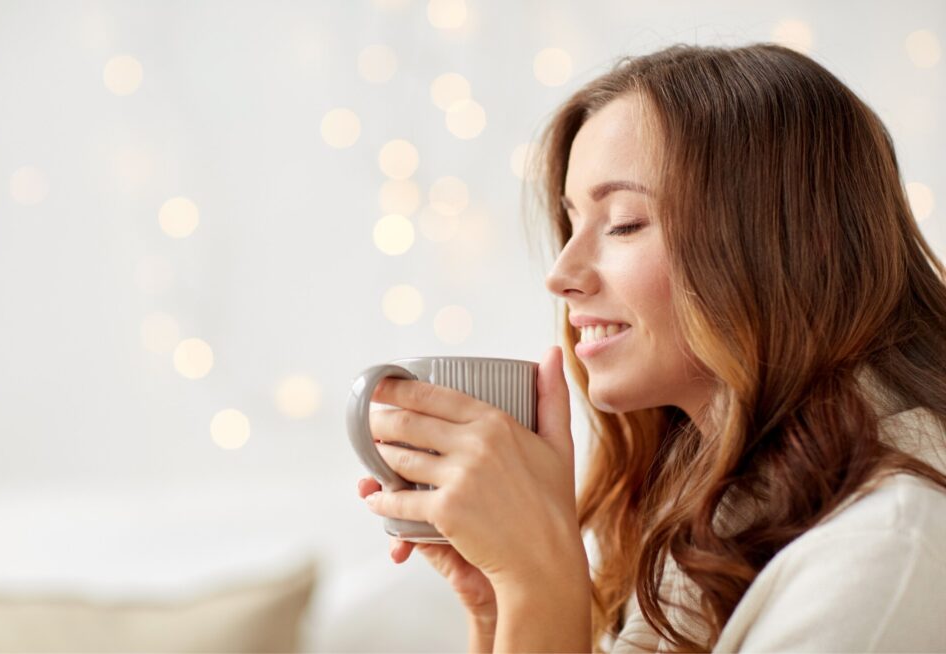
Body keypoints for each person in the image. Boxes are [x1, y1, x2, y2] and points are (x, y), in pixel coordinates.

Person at [356, 42, 946, 652]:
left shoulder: (888, 550)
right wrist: (503, 606)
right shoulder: (700, 528)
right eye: (571, 221)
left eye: (624, 223)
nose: (560, 272)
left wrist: (540, 580)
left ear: (802, 239)